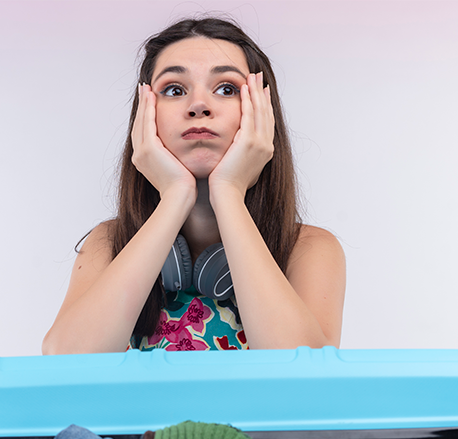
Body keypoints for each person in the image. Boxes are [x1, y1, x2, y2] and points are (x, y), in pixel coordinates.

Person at [42, 17, 345, 354]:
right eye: (174, 90)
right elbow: (65, 361)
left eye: (227, 88)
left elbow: (303, 373)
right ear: (145, 116)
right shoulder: (109, 242)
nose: (199, 105)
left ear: (262, 113)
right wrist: (175, 196)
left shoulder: (308, 248)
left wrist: (228, 192)